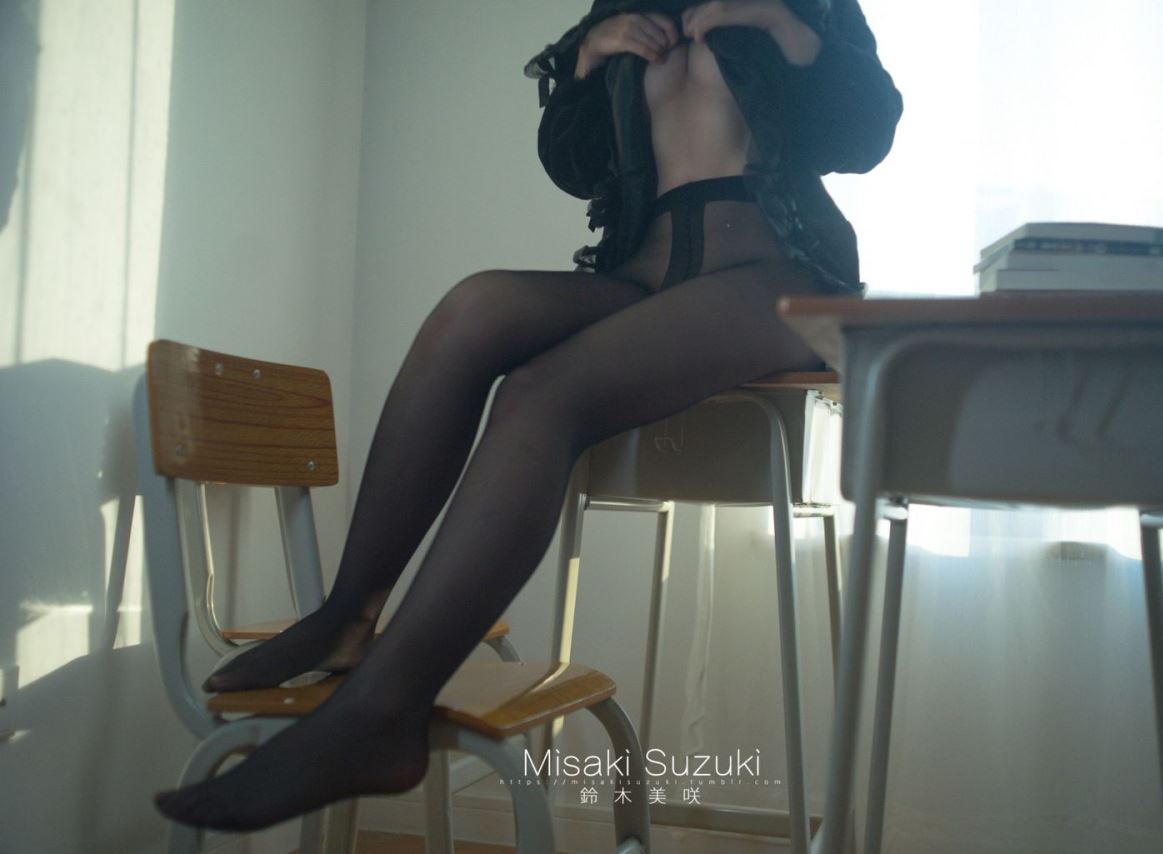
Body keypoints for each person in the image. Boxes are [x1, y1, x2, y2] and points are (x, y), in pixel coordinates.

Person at [154, 0, 902, 831]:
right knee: (471, 310)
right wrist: (587, 60)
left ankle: (382, 711)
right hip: (645, 273)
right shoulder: (626, 7)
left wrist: (785, 31)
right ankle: (349, 615)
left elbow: (866, 133)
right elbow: (575, 166)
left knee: (543, 392)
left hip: (777, 279)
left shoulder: (808, 5)